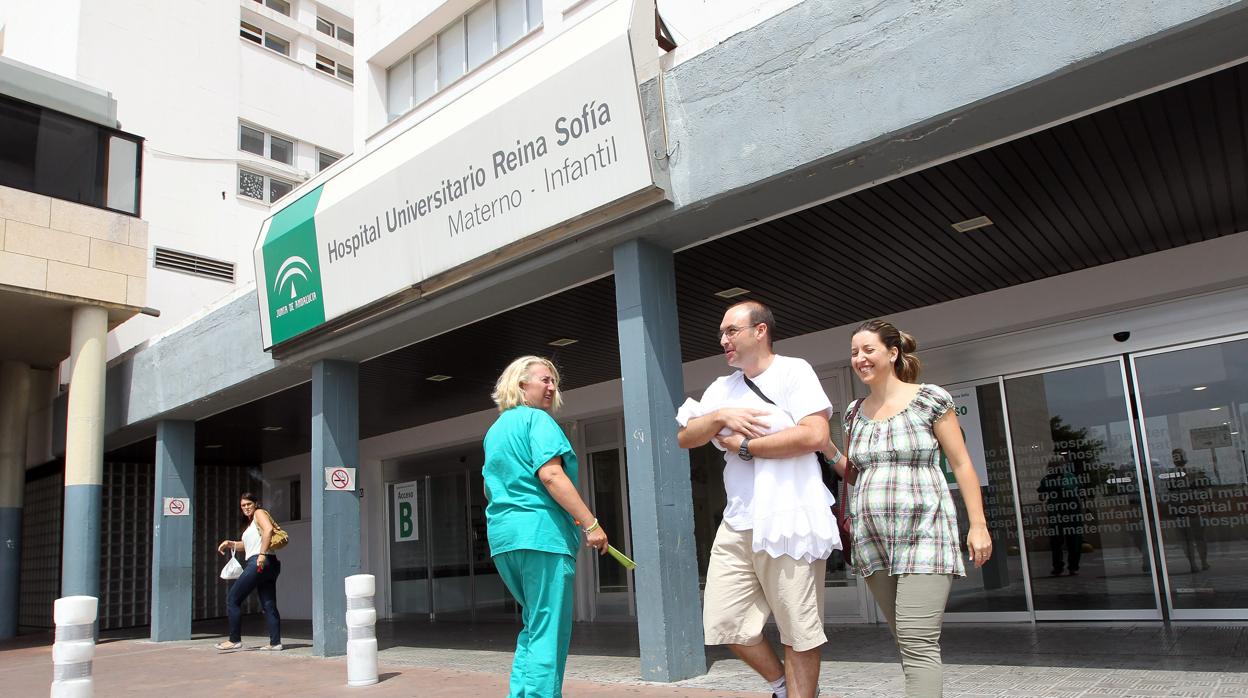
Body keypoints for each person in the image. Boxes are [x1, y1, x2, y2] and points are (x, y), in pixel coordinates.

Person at [677, 301, 839, 698]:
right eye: (721, 333)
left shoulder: (793, 371)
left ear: (760, 331)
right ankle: (782, 685)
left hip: (790, 517)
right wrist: (719, 418)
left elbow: (815, 435)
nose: (723, 340)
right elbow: (685, 437)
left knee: (798, 630)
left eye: (731, 331)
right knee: (724, 619)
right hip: (738, 522)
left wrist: (747, 445)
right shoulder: (721, 389)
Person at [829, 320, 991, 697]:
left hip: (925, 534)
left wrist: (978, 524)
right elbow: (856, 473)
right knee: (907, 641)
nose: (860, 358)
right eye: (854, 353)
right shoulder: (854, 412)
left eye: (868, 350)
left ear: (892, 352)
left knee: (917, 640)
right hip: (874, 541)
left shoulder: (930, 399)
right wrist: (828, 449)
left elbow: (963, 463)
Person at [483, 356, 608, 698]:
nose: (552, 387)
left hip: (505, 539)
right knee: (549, 629)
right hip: (541, 536)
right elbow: (552, 475)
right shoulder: (537, 420)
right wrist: (591, 523)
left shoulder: (495, 432)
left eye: (554, 381)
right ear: (520, 386)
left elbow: (490, 486)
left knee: (534, 625)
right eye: (544, 380)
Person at [215, 492, 282, 651]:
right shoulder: (251, 524)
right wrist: (230, 543)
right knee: (268, 604)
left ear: (255, 503)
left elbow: (269, 530)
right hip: (268, 563)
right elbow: (248, 546)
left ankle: (234, 640)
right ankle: (275, 643)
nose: (246, 508)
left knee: (233, 598)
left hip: (260, 562)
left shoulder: (259, 513)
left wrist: (262, 554)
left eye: (248, 504)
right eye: (243, 506)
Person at [1162, 447, 1211, 572]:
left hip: (1183, 510)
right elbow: (1204, 491)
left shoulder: (1170, 474)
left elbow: (1166, 494)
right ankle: (1202, 562)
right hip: (1189, 510)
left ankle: (1194, 564)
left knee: (1187, 539)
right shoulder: (1194, 471)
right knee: (1198, 537)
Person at [1037, 458, 1085, 576]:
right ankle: (1070, 567)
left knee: (1060, 542)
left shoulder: (1048, 479)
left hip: (1061, 514)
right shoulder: (1069, 477)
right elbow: (1081, 492)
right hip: (1069, 514)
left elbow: (1041, 496)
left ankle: (1061, 567)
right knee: (1070, 542)